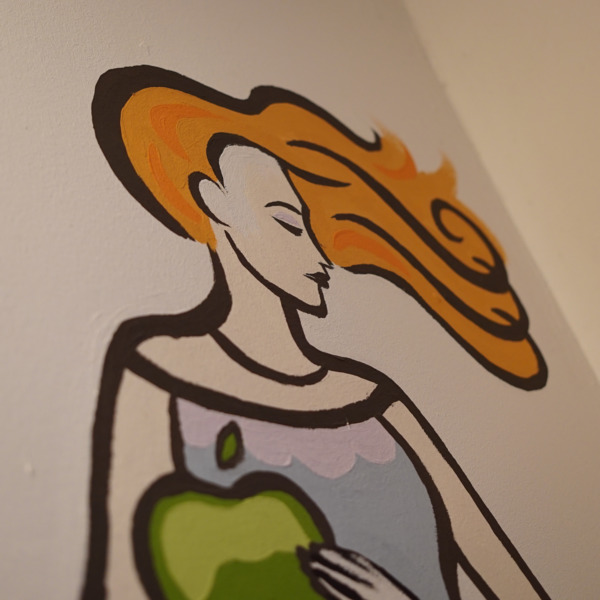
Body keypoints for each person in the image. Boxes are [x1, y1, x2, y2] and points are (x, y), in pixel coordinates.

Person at [82, 65, 549, 600]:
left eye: (315, 229)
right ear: (215, 202)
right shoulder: (159, 371)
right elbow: (120, 577)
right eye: (287, 222)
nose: (317, 255)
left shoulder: (373, 400)